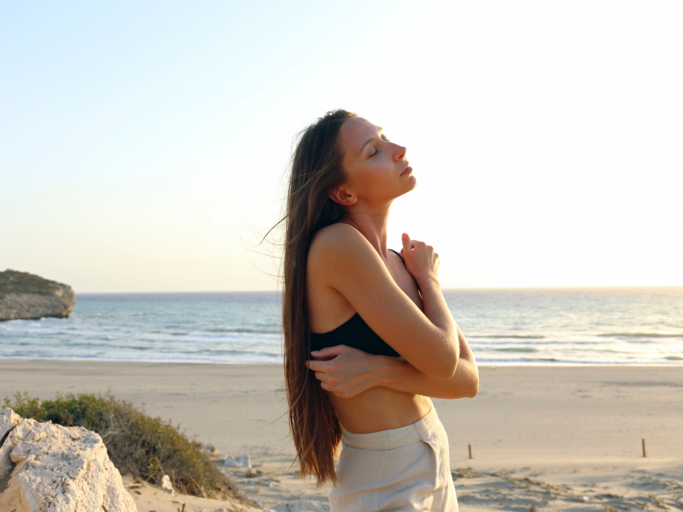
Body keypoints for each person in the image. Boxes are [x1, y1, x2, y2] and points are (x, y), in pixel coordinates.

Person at [280, 109, 479, 512]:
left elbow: (467, 380)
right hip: (385, 473)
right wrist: (430, 282)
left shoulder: (395, 262)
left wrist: (380, 370)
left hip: (432, 452)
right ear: (343, 193)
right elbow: (442, 361)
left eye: (385, 138)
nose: (398, 149)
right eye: (373, 151)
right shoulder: (337, 245)